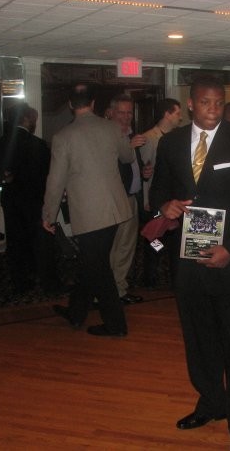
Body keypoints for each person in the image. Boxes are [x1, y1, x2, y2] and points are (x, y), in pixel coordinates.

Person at [149, 75, 230, 451]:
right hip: (189, 259)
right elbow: (158, 190)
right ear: (190, 104)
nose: (213, 109)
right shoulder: (170, 142)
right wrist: (164, 205)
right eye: (205, 102)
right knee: (199, 341)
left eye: (219, 102)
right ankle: (212, 403)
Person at [43, 83, 133, 337]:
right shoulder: (112, 127)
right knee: (90, 263)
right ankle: (76, 312)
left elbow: (55, 181)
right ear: (93, 103)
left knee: (98, 268)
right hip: (116, 210)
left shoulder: (63, 137)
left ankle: (116, 325)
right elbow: (128, 158)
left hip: (90, 214)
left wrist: (48, 214)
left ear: (71, 105)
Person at [0, 104, 60, 294]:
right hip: (34, 201)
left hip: (11, 201)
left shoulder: (0, 143)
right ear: (27, 119)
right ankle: (44, 279)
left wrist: (5, 178)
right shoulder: (38, 144)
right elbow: (48, 176)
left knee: (15, 242)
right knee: (38, 242)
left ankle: (20, 282)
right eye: (33, 119)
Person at [139, 98, 182, 288]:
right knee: (154, 239)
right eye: (177, 113)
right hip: (155, 200)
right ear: (167, 114)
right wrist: (148, 199)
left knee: (170, 237)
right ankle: (150, 275)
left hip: (172, 199)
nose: (180, 117)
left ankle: (169, 274)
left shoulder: (176, 138)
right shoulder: (149, 138)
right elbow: (145, 171)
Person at [108, 94, 144, 305]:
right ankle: (108, 292)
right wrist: (129, 146)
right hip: (114, 201)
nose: (126, 116)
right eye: (121, 112)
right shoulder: (107, 136)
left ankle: (119, 290)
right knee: (113, 248)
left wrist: (144, 172)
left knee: (126, 247)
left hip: (132, 198)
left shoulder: (132, 134)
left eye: (129, 112)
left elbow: (133, 167)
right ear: (111, 113)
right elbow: (110, 166)